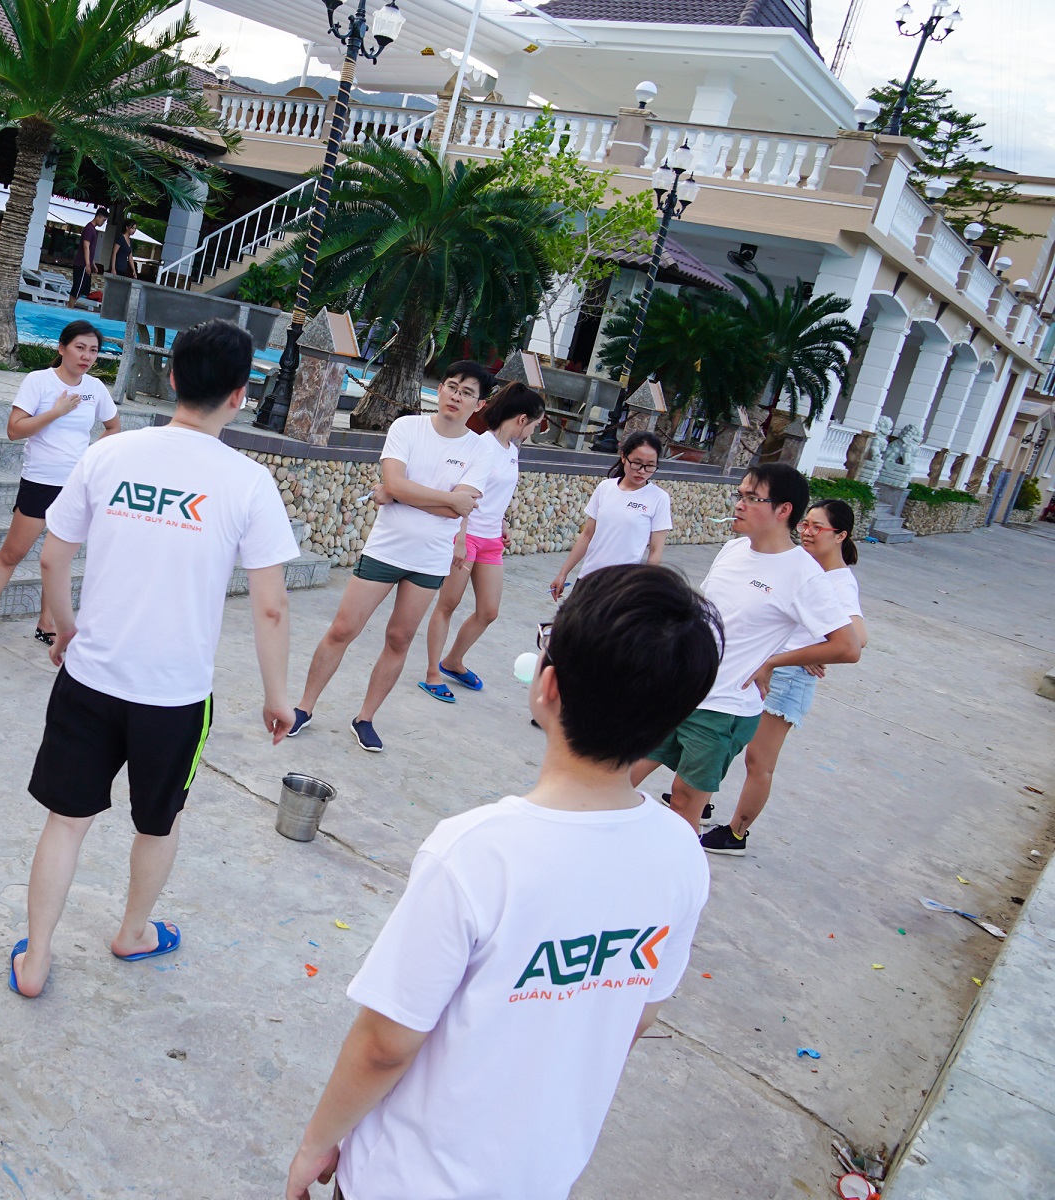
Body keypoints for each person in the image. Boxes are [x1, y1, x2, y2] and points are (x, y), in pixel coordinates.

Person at [284, 564, 721, 1200]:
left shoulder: (476, 852)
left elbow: (385, 1044)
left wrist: (316, 1141)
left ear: (548, 686)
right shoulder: (681, 853)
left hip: (407, 1180)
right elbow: (637, 1016)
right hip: (539, 1176)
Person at [9, 319, 298, 999]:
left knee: (66, 822)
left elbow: (53, 558)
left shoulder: (109, 455)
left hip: (91, 675)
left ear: (171, 377)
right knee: (158, 820)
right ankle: (133, 931)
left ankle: (36, 959)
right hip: (174, 696)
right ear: (240, 394)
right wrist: (277, 697)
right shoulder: (248, 482)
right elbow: (271, 608)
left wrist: (66, 630)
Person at [631, 464, 862, 831]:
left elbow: (848, 646)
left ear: (783, 510)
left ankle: (683, 864)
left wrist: (774, 662)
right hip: (682, 687)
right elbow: (706, 614)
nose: (739, 504)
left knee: (684, 803)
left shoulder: (803, 574)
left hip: (724, 707)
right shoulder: (733, 549)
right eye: (740, 495)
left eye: (753, 498)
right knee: (620, 772)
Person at [287, 362, 495, 752]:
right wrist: (438, 497)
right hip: (386, 548)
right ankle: (303, 708)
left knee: (399, 639)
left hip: (430, 559)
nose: (456, 396)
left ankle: (365, 718)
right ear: (440, 389)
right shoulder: (407, 427)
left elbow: (457, 509)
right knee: (343, 629)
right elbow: (404, 485)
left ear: (479, 404)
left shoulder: (480, 449)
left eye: (467, 392)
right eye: (452, 386)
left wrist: (401, 495)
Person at [700, 498, 867, 855]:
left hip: (786, 678)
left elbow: (857, 640)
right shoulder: (802, 564)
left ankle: (736, 833)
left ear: (840, 536)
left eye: (817, 527)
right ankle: (701, 800)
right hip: (762, 667)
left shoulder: (839, 582)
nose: (807, 532)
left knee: (759, 761)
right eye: (805, 524)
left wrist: (796, 656)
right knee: (724, 737)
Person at [0, 320, 122, 653]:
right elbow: (14, 430)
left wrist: (89, 458)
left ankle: (47, 623)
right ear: (62, 348)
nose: (87, 356)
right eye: (80, 348)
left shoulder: (95, 388)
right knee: (12, 554)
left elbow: (113, 427)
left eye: (93, 350)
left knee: (58, 560)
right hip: (40, 482)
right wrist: (56, 412)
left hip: (76, 487)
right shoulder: (39, 381)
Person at [421, 382, 546, 694]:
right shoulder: (481, 446)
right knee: (448, 604)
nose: (534, 430)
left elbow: (493, 493)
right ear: (522, 419)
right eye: (535, 424)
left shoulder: (512, 451)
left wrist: (501, 521)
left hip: (491, 540)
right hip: (467, 536)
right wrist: (460, 539)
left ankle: (453, 661)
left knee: (489, 611)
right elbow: (463, 493)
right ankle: (433, 674)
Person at [548, 430, 672, 600]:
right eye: (637, 463)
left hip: (623, 587)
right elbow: (587, 535)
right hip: (588, 578)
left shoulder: (659, 498)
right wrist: (563, 573)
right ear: (624, 457)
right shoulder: (605, 487)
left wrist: (646, 589)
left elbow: (656, 551)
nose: (642, 471)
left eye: (650, 465)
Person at [68, 211, 106, 307]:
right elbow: (86, 246)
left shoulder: (92, 230)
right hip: (82, 264)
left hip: (85, 264)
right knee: (77, 289)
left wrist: (93, 264)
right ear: (97, 217)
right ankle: (69, 308)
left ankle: (69, 305)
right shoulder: (89, 229)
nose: (103, 223)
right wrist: (88, 264)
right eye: (103, 220)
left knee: (84, 290)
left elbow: (90, 250)